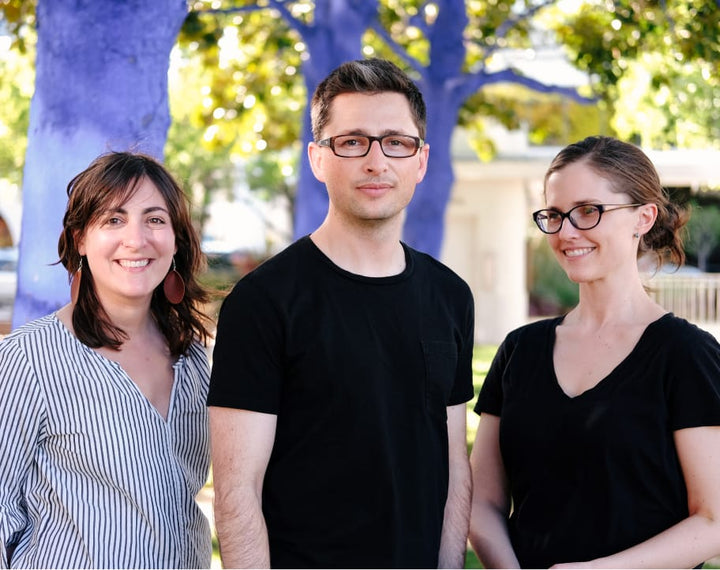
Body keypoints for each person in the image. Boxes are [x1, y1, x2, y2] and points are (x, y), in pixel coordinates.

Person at [208, 58, 475, 569]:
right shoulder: (263, 302)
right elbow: (237, 492)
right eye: (352, 141)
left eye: (396, 142)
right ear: (318, 158)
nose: (376, 161)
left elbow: (454, 466)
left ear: (420, 161)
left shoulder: (450, 295)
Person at [468, 135, 720, 569]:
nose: (566, 232)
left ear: (643, 217)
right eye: (554, 214)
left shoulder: (687, 355)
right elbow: (482, 502)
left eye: (588, 211)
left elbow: (713, 520)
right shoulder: (519, 351)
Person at [0, 151, 214, 568]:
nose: (136, 239)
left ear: (176, 239)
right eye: (113, 220)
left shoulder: (191, 356)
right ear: (80, 237)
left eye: (155, 219)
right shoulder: (28, 357)